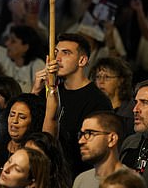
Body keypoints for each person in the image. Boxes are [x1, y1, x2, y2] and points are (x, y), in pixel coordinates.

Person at [33, 33, 112, 177]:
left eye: (66, 53)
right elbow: (32, 129)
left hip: (77, 176)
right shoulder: (52, 91)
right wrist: (36, 90)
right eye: (55, 53)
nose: (57, 59)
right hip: (47, 173)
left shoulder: (97, 101)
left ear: (82, 60)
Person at [70, 111, 125, 188]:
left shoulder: (130, 183)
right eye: (81, 134)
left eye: (89, 134)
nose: (81, 141)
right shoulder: (80, 181)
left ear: (112, 139)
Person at [89, 57, 135, 137]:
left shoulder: (131, 110)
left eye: (107, 77)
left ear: (121, 80)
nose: (101, 81)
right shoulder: (92, 107)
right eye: (98, 77)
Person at [0, 25, 46, 93]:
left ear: (25, 47)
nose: (7, 43)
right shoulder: (6, 61)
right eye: (8, 39)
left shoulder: (37, 65)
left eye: (13, 41)